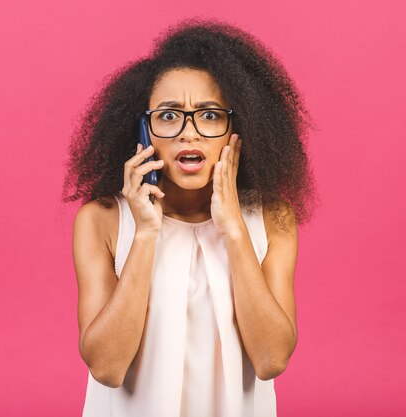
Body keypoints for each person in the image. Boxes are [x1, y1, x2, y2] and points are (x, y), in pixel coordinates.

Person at [63, 17, 317, 417]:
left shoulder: (272, 219)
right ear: (142, 131)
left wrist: (234, 229)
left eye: (210, 114)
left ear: (239, 126)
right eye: (168, 115)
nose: (189, 133)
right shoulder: (102, 220)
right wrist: (146, 233)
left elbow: (271, 359)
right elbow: (107, 368)